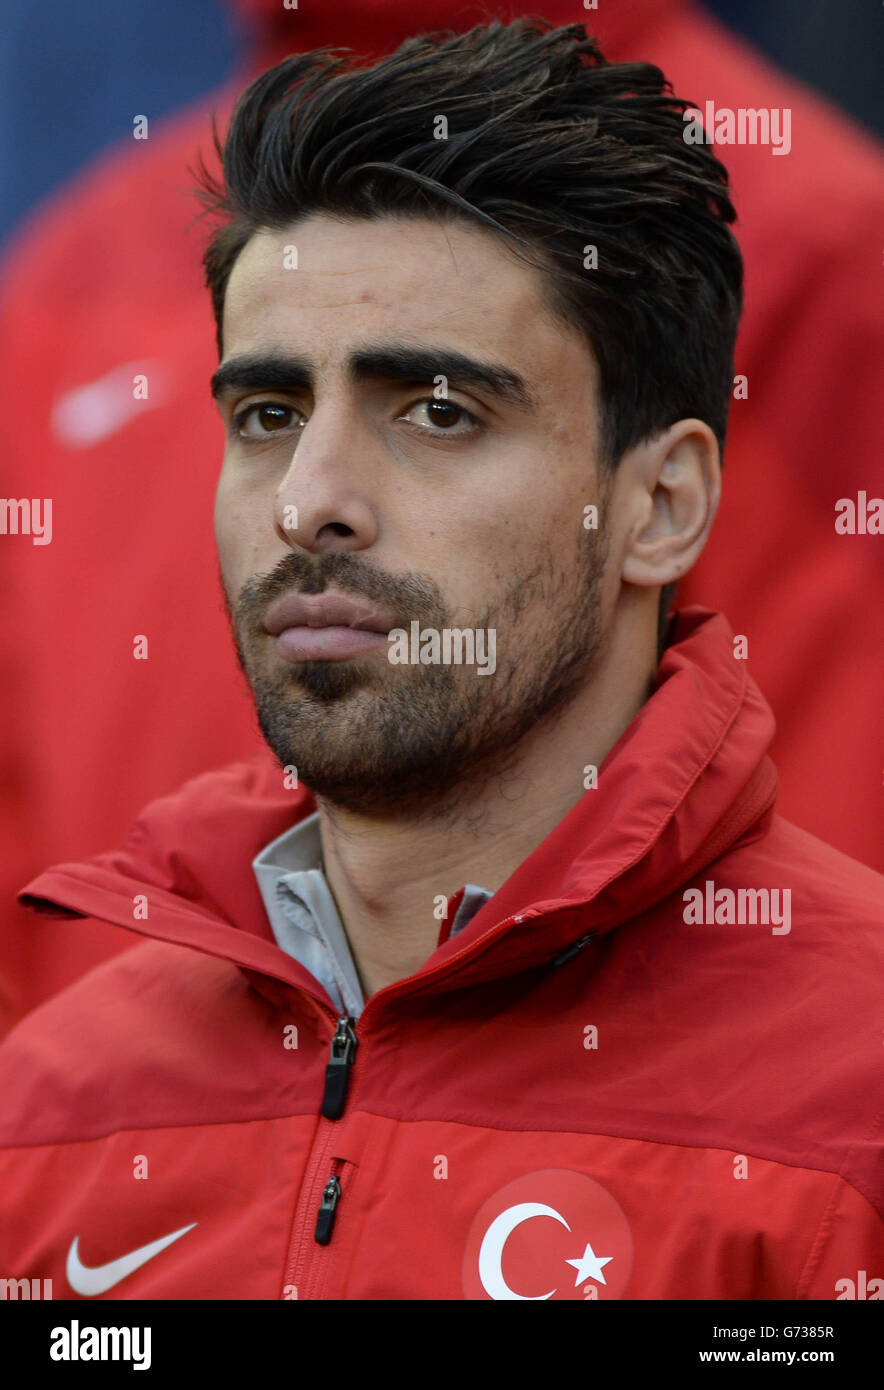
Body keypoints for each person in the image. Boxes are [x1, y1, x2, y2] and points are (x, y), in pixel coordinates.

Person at [0, 21, 881, 1301]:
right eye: (267, 414)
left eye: (436, 410)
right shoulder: (51, 1110)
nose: (309, 502)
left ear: (662, 502)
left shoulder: (844, 1112)